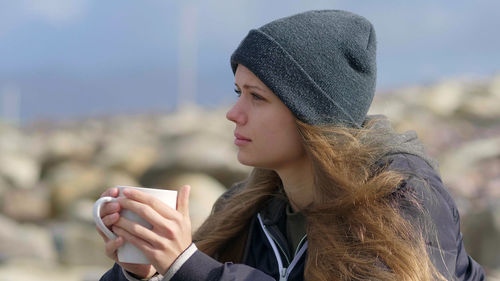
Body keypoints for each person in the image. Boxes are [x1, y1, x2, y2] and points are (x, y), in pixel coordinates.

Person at [97, 10, 485, 281]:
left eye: (256, 97)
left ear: (310, 114)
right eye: (237, 93)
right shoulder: (245, 209)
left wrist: (189, 266)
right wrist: (144, 271)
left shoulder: (404, 198)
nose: (233, 113)